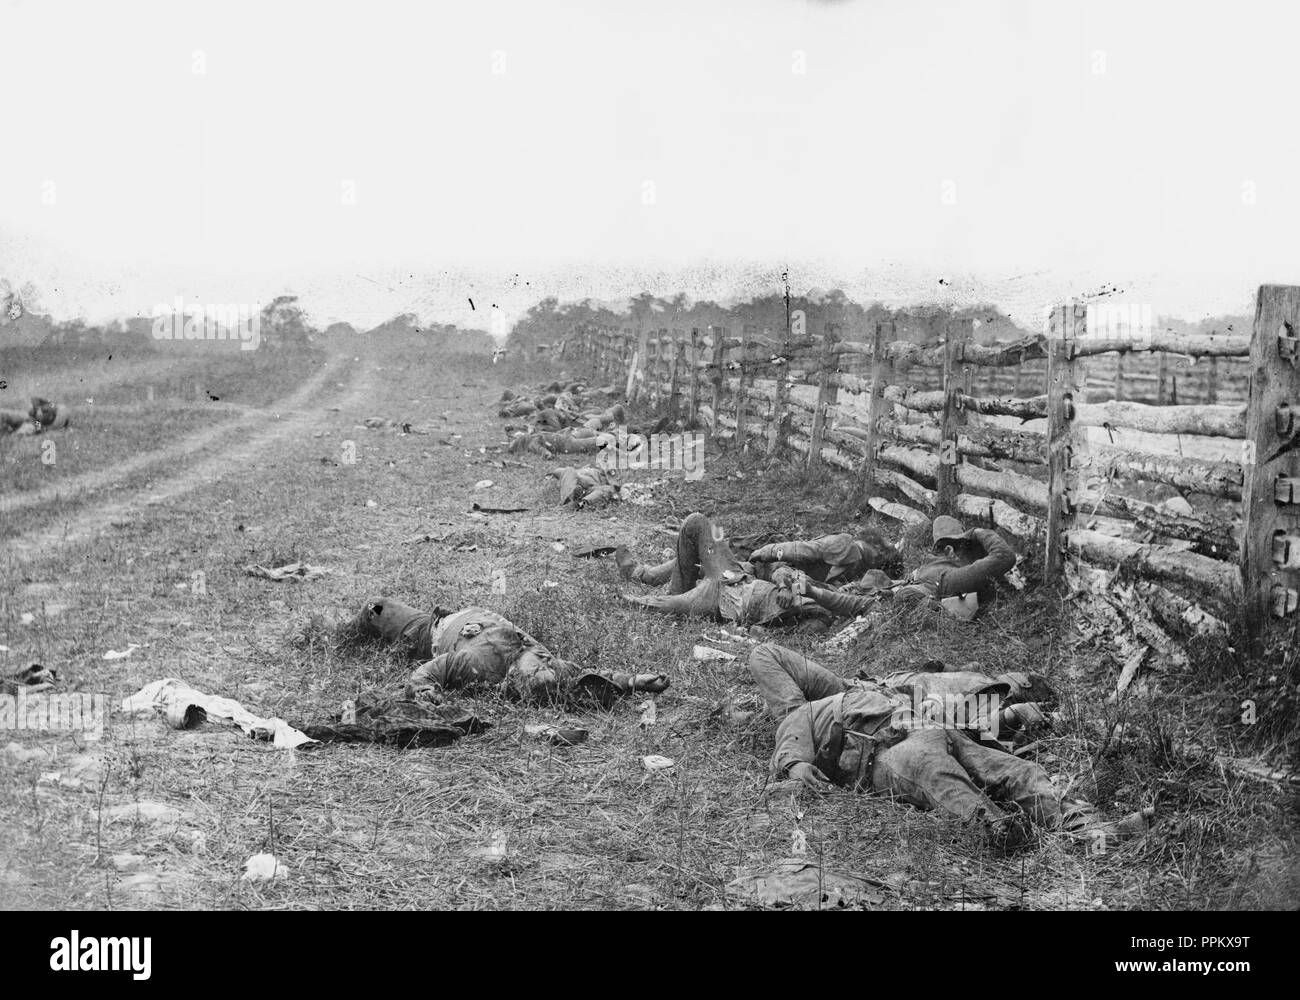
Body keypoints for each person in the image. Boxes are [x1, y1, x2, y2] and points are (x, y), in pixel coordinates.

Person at [748, 642, 1152, 847]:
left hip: (924, 722)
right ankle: (1000, 829)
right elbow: (790, 737)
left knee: (1014, 770)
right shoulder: (802, 717)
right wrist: (794, 762)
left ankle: (1091, 829)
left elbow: (765, 652)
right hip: (881, 752)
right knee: (933, 771)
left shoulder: (846, 691)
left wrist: (1009, 718)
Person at [353, 595, 669, 703]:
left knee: (375, 607)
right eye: (544, 666)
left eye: (537, 672)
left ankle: (344, 631)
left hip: (430, 630)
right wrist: (634, 681)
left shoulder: (480, 665)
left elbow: (427, 673)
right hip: (468, 616)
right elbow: (591, 675)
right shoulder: (548, 666)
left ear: (518, 678)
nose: (544, 665)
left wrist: (424, 692)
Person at [782, 515, 1018, 622]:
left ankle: (808, 591)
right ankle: (808, 590)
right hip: (886, 602)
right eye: (968, 549)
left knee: (846, 601)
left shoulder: (927, 569)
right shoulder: (950, 575)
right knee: (849, 600)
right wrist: (976, 533)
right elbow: (1004, 557)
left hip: (883, 604)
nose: (972, 557)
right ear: (950, 551)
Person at [616, 512, 831, 626]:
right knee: (696, 522)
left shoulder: (827, 598)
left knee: (671, 604)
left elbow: (815, 616)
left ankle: (648, 580)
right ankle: (643, 575)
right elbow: (782, 570)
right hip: (738, 573)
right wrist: (785, 582)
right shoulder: (819, 561)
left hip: (727, 598)